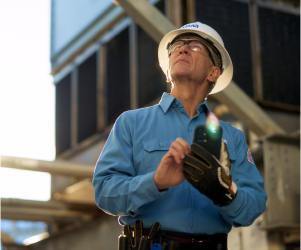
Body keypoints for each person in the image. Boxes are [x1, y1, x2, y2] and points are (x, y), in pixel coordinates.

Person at [92, 22, 267, 249]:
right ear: (167, 71)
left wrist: (224, 191)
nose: (182, 49)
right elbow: (105, 193)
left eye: (195, 46)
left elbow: (253, 206)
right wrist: (155, 182)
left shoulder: (232, 137)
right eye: (176, 47)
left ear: (213, 73)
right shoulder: (131, 123)